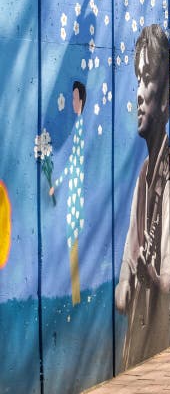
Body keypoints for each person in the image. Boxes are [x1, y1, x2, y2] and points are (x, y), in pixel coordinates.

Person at [115, 25, 170, 371]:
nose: (139, 93)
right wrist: (126, 282)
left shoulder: (169, 185)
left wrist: (149, 276)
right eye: (138, 79)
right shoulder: (144, 176)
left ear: (167, 98)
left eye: (148, 78)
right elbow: (129, 254)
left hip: (161, 345)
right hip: (139, 342)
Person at [50, 80, 87, 306]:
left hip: (74, 195)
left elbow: (74, 164)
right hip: (74, 193)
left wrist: (57, 183)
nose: (72, 102)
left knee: (72, 242)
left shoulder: (80, 128)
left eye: (74, 98)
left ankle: (75, 296)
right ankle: (75, 295)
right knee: (72, 242)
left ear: (81, 101)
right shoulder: (78, 127)